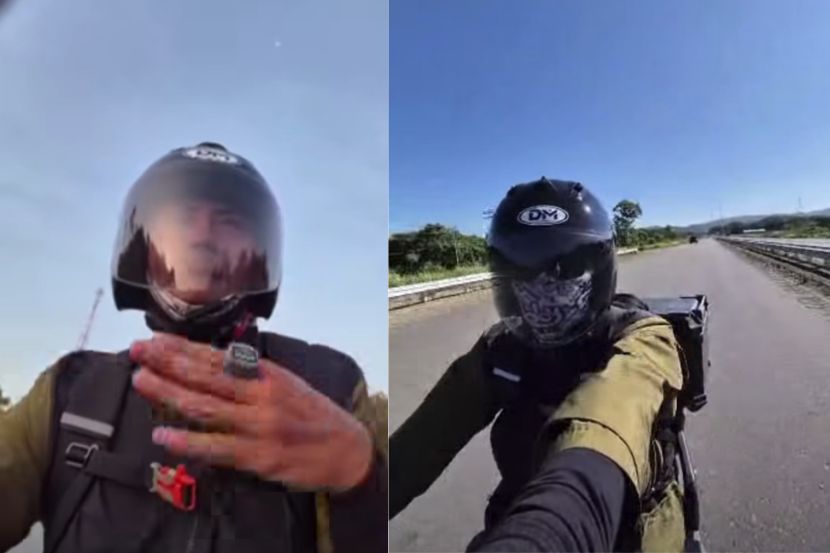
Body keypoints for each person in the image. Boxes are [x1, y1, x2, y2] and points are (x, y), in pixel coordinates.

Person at [0, 142, 388, 553]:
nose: (203, 236)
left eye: (228, 221)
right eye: (185, 217)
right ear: (143, 247)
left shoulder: (328, 386)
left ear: (260, 259)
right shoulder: (71, 392)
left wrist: (359, 473)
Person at [390, 177, 686, 552]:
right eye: (523, 271)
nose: (543, 287)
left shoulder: (644, 338)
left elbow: (610, 421)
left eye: (566, 267)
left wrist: (552, 531)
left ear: (599, 270)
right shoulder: (501, 350)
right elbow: (416, 448)